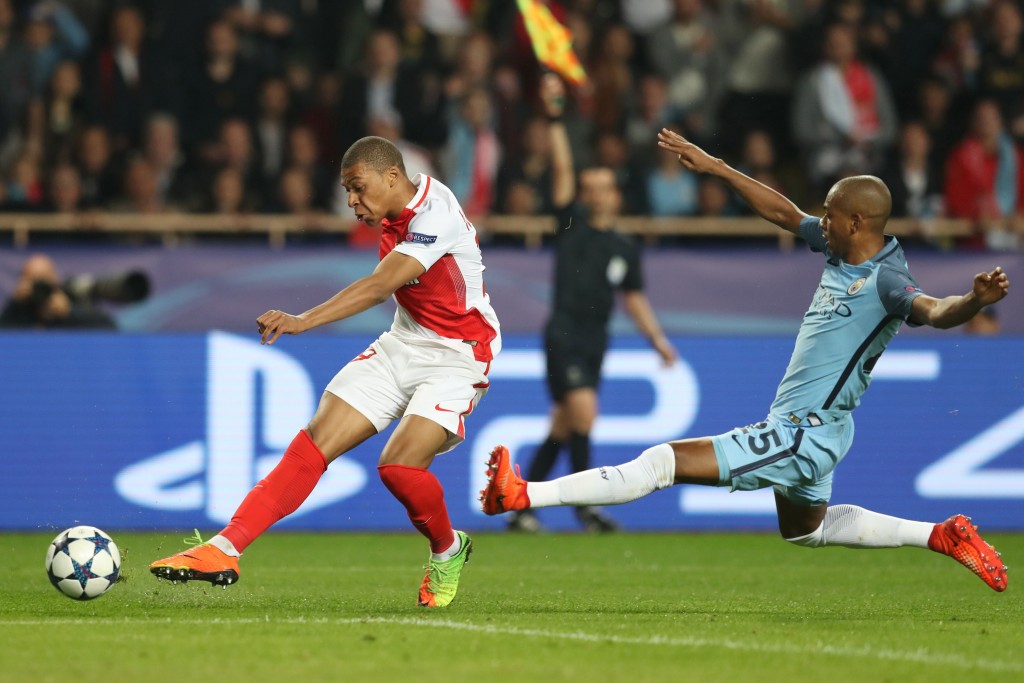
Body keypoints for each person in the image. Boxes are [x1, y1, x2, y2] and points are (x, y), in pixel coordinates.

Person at [481, 127, 1010, 593]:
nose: (819, 221)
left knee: (662, 463)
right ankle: (940, 535)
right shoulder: (840, 247)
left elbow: (935, 310)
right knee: (806, 530)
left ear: (856, 221)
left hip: (803, 431)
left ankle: (523, 494)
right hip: (816, 428)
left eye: (829, 214)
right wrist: (715, 166)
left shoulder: (888, 279)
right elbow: (784, 213)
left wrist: (973, 301)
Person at [150, 136, 501, 608]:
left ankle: (448, 548)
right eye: (347, 191)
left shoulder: (435, 214)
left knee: (398, 467)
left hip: (459, 354)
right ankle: (223, 549)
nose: (351, 200)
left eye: (358, 187)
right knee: (315, 442)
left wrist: (302, 320)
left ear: (392, 176)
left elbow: (379, 287)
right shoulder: (392, 210)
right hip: (403, 342)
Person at [508, 75, 677, 534]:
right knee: (583, 413)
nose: (596, 193)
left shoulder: (624, 246)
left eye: (604, 187)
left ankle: (520, 505)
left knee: (564, 426)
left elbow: (634, 299)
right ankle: (584, 508)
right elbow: (562, 169)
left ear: (615, 195)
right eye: (590, 187)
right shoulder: (571, 225)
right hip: (564, 333)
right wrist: (555, 119)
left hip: (596, 339)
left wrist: (658, 341)